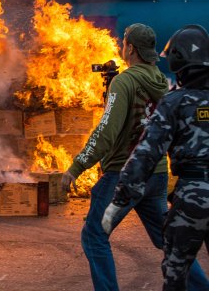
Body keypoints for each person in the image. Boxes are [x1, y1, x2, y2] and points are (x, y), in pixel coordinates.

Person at [60, 23, 209, 290]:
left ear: (131, 48)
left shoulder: (124, 81)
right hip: (158, 175)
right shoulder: (163, 82)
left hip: (123, 174)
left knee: (95, 234)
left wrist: (77, 165)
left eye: (125, 43)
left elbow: (107, 129)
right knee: (169, 239)